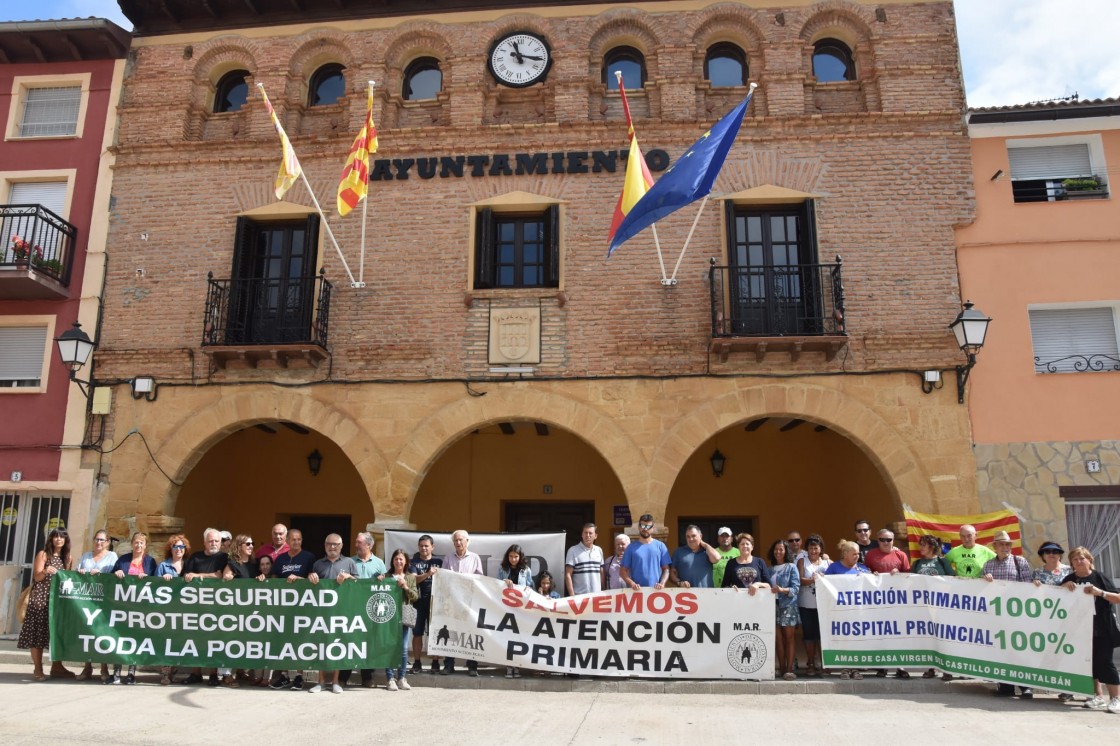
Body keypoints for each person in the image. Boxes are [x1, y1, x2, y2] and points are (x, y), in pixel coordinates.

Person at [1061, 546, 1120, 714]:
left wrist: (1099, 592)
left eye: (1082, 558)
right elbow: (1056, 597)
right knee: (1089, 663)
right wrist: (1064, 586)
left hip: (1102, 627)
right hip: (1079, 628)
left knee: (1105, 663)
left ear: (1089, 560)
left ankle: (1115, 698)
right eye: (1075, 559)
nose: (1079, 562)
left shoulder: (1099, 577)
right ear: (1071, 563)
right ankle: (1098, 696)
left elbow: (1117, 598)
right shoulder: (1069, 578)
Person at [982, 530, 1034, 698]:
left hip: (1016, 613)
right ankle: (1006, 686)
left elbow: (1027, 586)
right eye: (1002, 544)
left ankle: (1025, 686)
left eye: (1008, 544)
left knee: (1019, 649)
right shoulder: (988, 565)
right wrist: (985, 579)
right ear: (995, 546)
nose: (1005, 547)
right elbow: (982, 590)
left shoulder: (1020, 562)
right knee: (1001, 650)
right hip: (997, 614)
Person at [19, 527, 73, 681]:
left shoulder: (68, 557)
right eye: (56, 536)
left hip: (57, 599)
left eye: (62, 537)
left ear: (66, 540)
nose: (59, 539)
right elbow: (36, 577)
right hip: (40, 598)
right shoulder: (43, 554)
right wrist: (45, 571)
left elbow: (67, 578)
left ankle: (57, 666)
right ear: (51, 539)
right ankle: (38, 667)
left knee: (56, 633)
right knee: (37, 634)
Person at [307, 534, 358, 694]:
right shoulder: (317, 564)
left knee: (338, 645)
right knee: (321, 646)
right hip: (321, 612)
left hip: (341, 612)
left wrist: (349, 577)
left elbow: (358, 584)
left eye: (335, 544)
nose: (332, 547)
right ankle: (320, 682)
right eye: (329, 544)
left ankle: (335, 681)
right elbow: (310, 584)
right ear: (325, 545)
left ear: (341, 546)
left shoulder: (349, 562)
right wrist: (310, 577)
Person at [182, 528, 228, 686]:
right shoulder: (195, 557)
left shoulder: (224, 557)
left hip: (216, 606)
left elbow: (220, 575)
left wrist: (199, 575)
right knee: (196, 639)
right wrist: (193, 576)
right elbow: (187, 575)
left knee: (213, 640)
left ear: (221, 543)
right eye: (210, 541)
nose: (213, 543)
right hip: (195, 605)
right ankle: (196, 673)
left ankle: (213, 674)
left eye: (216, 541)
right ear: (204, 542)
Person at [864, 528, 911, 679]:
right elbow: (865, 574)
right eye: (882, 540)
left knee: (899, 634)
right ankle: (881, 666)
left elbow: (909, 576)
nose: (886, 542)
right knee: (880, 633)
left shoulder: (900, 555)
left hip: (898, 602)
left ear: (893, 540)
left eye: (889, 540)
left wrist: (899, 574)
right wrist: (872, 575)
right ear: (877, 540)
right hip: (877, 602)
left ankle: (901, 666)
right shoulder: (871, 555)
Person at [341, 532, 386, 688]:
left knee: (367, 642)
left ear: (368, 545)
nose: (356, 545)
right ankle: (343, 676)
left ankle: (367, 677)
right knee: (349, 641)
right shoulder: (349, 562)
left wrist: (382, 579)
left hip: (370, 609)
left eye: (359, 542)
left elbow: (385, 585)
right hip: (352, 607)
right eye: (356, 542)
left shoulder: (379, 563)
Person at [437, 529, 484, 676]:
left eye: (461, 540)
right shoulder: (448, 558)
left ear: (467, 541)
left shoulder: (475, 558)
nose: (458, 543)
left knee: (470, 633)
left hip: (468, 603)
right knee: (450, 632)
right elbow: (443, 578)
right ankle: (449, 665)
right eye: (456, 540)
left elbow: (480, 579)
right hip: (451, 603)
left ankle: (472, 666)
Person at [1031, 541, 1073, 701]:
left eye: (1055, 551)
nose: (1051, 554)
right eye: (1047, 551)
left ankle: (1069, 688)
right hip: (1046, 619)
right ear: (1042, 555)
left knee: (1066, 652)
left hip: (1066, 617)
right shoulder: (1037, 572)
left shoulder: (1070, 570)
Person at [825, 539, 871, 680]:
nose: (857, 556)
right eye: (854, 554)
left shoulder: (863, 569)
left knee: (856, 640)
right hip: (840, 612)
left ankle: (855, 668)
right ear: (845, 554)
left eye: (858, 554)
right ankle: (844, 668)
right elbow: (825, 586)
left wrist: (874, 577)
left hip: (858, 612)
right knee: (843, 639)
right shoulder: (834, 568)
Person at [75, 529, 117, 682]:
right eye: (97, 539)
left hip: (103, 600)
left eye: (102, 540)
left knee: (101, 632)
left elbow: (114, 576)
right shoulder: (86, 556)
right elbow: (76, 573)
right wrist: (80, 571)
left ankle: (104, 667)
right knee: (87, 632)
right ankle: (87, 667)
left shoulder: (112, 556)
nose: (99, 542)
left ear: (107, 542)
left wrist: (100, 574)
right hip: (86, 599)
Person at [380, 549, 419, 691]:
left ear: (406, 561)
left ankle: (402, 678)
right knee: (389, 647)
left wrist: (405, 587)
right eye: (396, 559)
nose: (398, 561)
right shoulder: (387, 576)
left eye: (401, 559)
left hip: (403, 617)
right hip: (388, 616)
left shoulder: (410, 577)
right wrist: (380, 581)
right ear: (392, 561)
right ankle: (390, 678)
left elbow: (415, 597)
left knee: (403, 649)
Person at [155, 533, 191, 685]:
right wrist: (162, 580)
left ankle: (174, 671)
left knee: (179, 641)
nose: (178, 549)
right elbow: (153, 586)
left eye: (181, 547)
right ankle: (164, 673)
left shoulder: (189, 565)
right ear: (171, 549)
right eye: (175, 546)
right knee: (166, 640)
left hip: (185, 609)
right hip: (167, 609)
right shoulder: (163, 566)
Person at [408, 534, 443, 675]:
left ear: (432, 547)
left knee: (435, 633)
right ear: (418, 547)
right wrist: (428, 574)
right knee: (417, 634)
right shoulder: (413, 563)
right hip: (418, 602)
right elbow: (414, 580)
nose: (424, 548)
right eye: (421, 546)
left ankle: (435, 662)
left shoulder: (439, 562)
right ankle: (417, 662)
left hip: (435, 602)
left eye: (426, 546)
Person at [498, 544, 533, 678]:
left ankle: (517, 666)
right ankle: (509, 666)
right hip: (507, 607)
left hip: (520, 608)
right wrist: (503, 582)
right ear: (508, 557)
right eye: (511, 556)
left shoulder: (526, 570)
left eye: (516, 556)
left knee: (519, 637)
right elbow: (496, 585)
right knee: (508, 637)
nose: (513, 559)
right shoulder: (502, 569)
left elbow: (530, 586)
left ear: (520, 557)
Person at [797, 534, 829, 678]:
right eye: (810, 548)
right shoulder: (802, 561)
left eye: (816, 548)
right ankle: (810, 663)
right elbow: (800, 580)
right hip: (806, 604)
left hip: (824, 605)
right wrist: (813, 580)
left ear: (821, 549)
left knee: (823, 635)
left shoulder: (827, 562)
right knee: (809, 635)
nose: (813, 551)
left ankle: (824, 664)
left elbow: (836, 578)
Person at [768, 539, 800, 680]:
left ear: (786, 551)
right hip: (772, 606)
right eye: (776, 549)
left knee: (789, 638)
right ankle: (781, 668)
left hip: (788, 605)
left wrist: (782, 590)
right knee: (778, 639)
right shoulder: (769, 569)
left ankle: (789, 669)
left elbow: (796, 588)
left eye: (781, 549)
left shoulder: (791, 567)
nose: (778, 552)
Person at [620, 514, 671, 590]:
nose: (645, 529)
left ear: (652, 528)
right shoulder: (631, 547)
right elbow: (622, 571)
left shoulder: (661, 546)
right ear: (639, 527)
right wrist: (632, 584)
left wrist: (662, 583)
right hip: (636, 592)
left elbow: (666, 569)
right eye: (643, 526)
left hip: (656, 591)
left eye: (648, 527)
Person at [565, 522, 604, 595]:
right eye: (585, 533)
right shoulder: (573, 550)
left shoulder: (599, 550)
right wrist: (572, 596)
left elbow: (601, 572)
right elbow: (568, 574)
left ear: (595, 536)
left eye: (590, 533)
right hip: (580, 596)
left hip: (597, 596)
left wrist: (604, 590)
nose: (587, 535)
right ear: (582, 535)